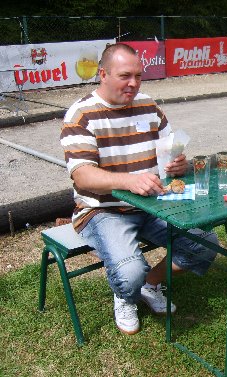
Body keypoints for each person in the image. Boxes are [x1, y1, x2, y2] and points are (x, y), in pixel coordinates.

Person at [60, 43, 218, 335]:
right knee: (130, 271)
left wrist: (177, 164)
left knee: (206, 243)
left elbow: (170, 150)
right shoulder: (81, 116)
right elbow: (82, 176)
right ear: (102, 74)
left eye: (138, 75)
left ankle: (151, 283)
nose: (133, 83)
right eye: (125, 76)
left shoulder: (148, 105)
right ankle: (126, 295)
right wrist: (128, 180)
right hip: (102, 211)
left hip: (152, 203)